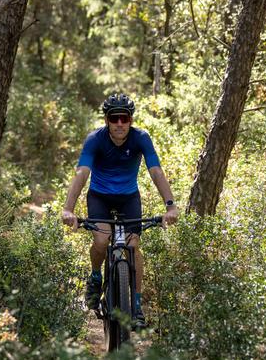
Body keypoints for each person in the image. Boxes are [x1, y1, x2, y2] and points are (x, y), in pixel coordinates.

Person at [62, 93, 179, 329]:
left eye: (124, 118)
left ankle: (136, 306)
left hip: (128, 198)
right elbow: (82, 173)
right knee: (102, 239)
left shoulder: (141, 138)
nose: (119, 124)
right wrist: (68, 209)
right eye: (114, 118)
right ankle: (96, 277)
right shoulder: (95, 139)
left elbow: (155, 171)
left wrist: (170, 205)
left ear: (130, 119)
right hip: (100, 197)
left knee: (133, 246)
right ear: (106, 119)